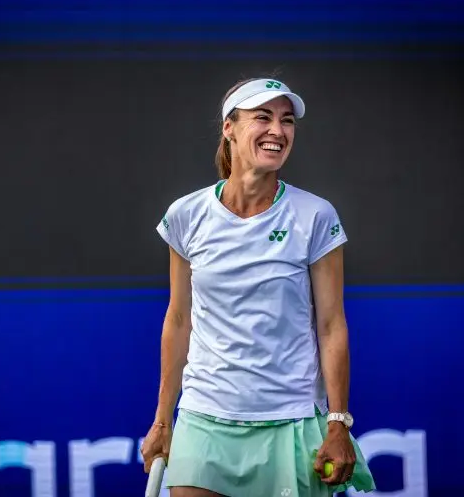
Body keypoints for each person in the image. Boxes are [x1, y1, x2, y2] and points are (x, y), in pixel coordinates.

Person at [140, 77, 376, 496]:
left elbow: (331, 326)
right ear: (229, 128)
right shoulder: (185, 215)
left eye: (287, 121)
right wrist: (162, 419)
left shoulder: (315, 216)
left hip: (291, 421)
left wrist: (338, 422)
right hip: (203, 417)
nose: (277, 131)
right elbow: (178, 319)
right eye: (263, 117)